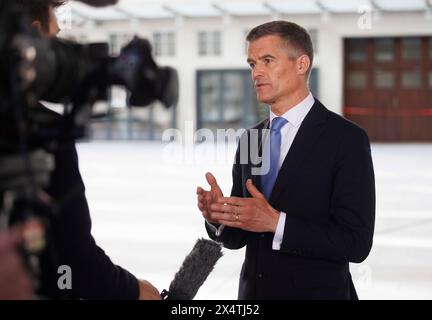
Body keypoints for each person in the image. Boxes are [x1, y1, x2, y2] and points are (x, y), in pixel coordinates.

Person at [197, 20, 375, 300]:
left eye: (268, 60)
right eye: (252, 64)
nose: (257, 72)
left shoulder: (346, 140)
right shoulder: (251, 138)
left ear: (301, 64)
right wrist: (219, 217)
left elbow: (355, 243)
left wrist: (276, 222)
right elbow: (239, 237)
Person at [12, 0, 160, 300]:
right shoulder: (42, 132)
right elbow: (73, 258)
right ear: (34, 42)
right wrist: (135, 292)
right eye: (54, 42)